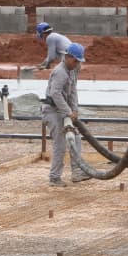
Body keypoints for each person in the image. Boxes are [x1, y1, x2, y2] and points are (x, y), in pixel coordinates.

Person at [41, 42, 89, 187]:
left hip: (64, 109)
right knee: (61, 144)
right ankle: (54, 178)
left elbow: (73, 90)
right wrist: (68, 111)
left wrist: (74, 110)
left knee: (76, 138)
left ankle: (77, 173)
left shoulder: (74, 69)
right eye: (75, 60)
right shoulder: (60, 72)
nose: (77, 63)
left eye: (79, 61)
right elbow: (55, 94)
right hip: (52, 110)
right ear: (67, 57)